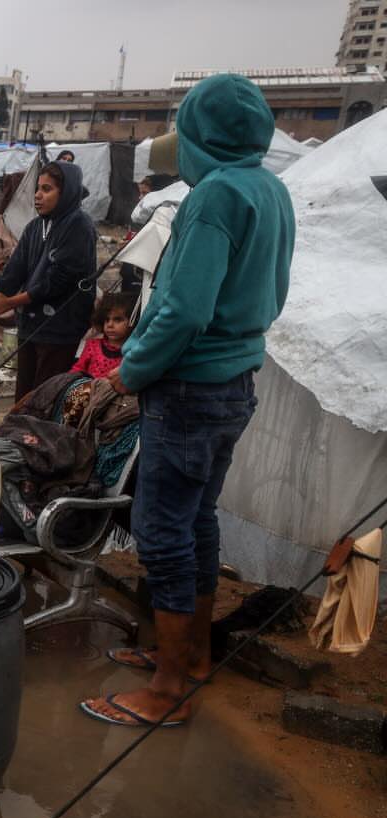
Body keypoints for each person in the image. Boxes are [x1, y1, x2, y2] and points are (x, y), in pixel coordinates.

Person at [80, 73, 295, 727]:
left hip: (189, 388)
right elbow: (272, 294)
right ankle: (193, 657)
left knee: (162, 532)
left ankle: (168, 691)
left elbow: (183, 311)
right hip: (233, 385)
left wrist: (129, 371)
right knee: (196, 521)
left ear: (201, 135)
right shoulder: (271, 191)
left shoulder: (216, 196)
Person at [0, 162, 97, 400]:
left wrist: (12, 302)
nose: (38, 196)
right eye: (37, 189)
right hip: (31, 325)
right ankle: (21, 437)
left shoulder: (79, 226)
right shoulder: (35, 227)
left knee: (45, 399)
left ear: (66, 192)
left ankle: (38, 437)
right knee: (24, 396)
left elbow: (58, 280)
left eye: (47, 189)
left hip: (61, 328)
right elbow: (14, 272)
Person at [71, 292, 133, 379]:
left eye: (117, 320)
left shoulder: (134, 349)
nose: (110, 325)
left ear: (132, 321)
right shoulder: (92, 345)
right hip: (89, 390)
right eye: (106, 320)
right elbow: (77, 370)